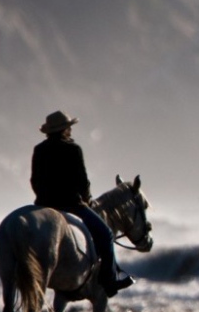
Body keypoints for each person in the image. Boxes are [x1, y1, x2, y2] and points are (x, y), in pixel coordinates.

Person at [31, 111, 134, 296]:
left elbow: (34, 181)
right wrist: (87, 200)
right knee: (106, 234)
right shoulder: (73, 149)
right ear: (64, 130)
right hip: (70, 204)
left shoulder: (39, 149)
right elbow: (82, 181)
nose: (70, 130)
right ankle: (109, 281)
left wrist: (43, 199)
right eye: (69, 127)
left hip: (43, 206)